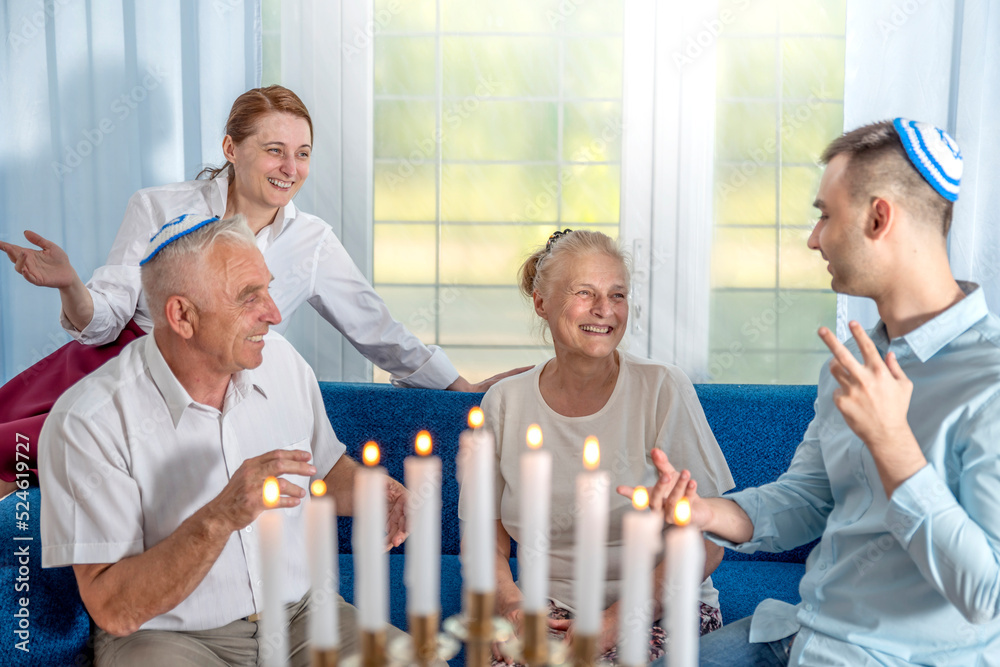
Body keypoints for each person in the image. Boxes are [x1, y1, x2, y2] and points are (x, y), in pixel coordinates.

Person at [0, 85, 526, 496]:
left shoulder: (312, 241)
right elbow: (106, 320)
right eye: (274, 150)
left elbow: (379, 333)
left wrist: (463, 390)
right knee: (16, 465)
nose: (290, 168)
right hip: (117, 369)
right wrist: (70, 284)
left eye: (302, 153)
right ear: (232, 148)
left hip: (207, 395)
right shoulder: (158, 207)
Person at [639, 119, 1000, 665]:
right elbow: (808, 499)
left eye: (825, 215)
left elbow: (987, 596)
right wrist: (704, 512)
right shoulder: (850, 364)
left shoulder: (990, 380)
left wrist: (894, 446)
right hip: (803, 635)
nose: (814, 238)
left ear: (879, 217)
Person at [39, 214, 408, 666]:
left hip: (305, 618)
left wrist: (378, 493)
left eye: (268, 288)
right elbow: (112, 607)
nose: (273, 314)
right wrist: (219, 517)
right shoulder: (88, 421)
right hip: (168, 637)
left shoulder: (283, 362)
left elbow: (323, 470)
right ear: (183, 316)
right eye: (248, 298)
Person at [462, 229, 735, 665]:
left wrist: (614, 622)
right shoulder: (505, 401)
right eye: (584, 293)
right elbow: (485, 541)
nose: (604, 311)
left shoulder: (662, 387)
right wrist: (511, 607)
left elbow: (711, 539)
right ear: (541, 303)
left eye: (617, 295)